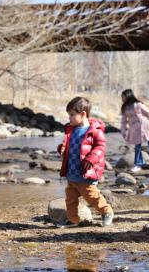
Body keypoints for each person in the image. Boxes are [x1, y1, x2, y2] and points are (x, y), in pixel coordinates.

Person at [57, 97, 114, 227]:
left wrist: (92, 158)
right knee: (70, 199)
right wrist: (61, 149)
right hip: (72, 173)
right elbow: (69, 146)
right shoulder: (71, 130)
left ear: (83, 114)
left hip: (85, 173)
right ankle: (73, 219)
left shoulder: (95, 131)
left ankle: (107, 211)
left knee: (92, 197)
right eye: (69, 115)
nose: (69, 118)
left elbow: (100, 147)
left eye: (72, 115)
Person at [120, 89, 149, 173]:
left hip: (144, 125)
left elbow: (148, 113)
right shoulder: (125, 108)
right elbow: (123, 121)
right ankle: (138, 164)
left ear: (127, 96)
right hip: (134, 128)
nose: (122, 98)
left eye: (123, 96)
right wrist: (123, 131)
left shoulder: (138, 105)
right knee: (137, 146)